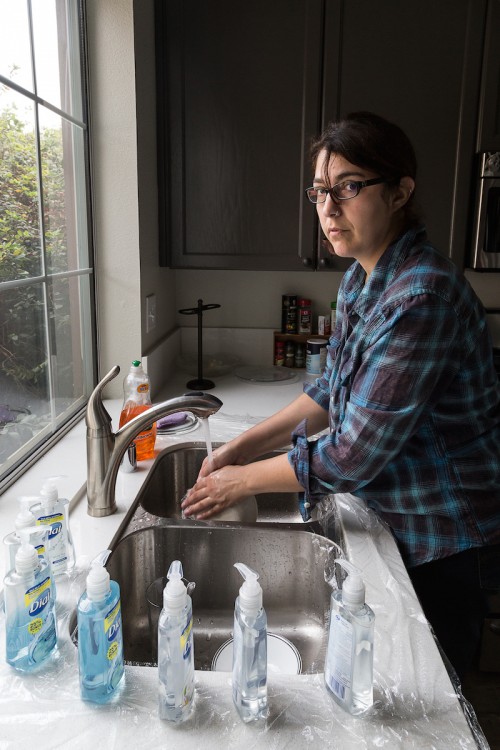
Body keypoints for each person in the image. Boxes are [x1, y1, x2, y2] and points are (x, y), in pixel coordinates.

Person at [181, 111, 500, 680]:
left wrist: (241, 480)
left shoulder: (422, 298)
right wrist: (242, 448)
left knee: (435, 700)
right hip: (396, 518)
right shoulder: (361, 276)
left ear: (402, 190)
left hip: (442, 537)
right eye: (320, 191)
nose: (328, 208)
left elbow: (352, 454)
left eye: (349, 187)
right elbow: (330, 390)